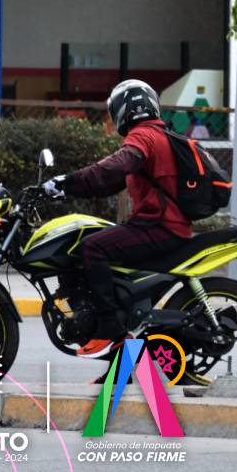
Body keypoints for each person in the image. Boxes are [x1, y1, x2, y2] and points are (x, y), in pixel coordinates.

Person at [41, 79, 192, 358]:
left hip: (159, 227)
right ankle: (119, 363)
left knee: (92, 247)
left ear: (126, 108)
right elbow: (108, 183)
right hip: (159, 225)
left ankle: (108, 326)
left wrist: (67, 180)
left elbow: (116, 166)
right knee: (95, 242)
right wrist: (70, 189)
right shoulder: (157, 134)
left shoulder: (143, 135)